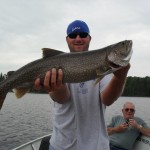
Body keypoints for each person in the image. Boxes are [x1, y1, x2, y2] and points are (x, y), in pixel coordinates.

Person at [35, 20, 130, 150]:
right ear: (67, 40)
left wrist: (120, 78)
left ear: (89, 38)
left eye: (82, 34)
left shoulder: (107, 66)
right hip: (61, 146)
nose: (78, 38)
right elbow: (62, 98)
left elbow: (107, 100)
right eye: (73, 35)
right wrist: (57, 87)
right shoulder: (57, 65)